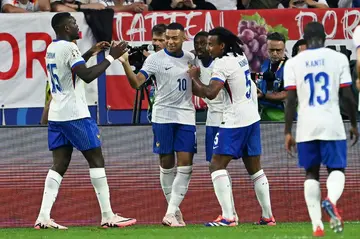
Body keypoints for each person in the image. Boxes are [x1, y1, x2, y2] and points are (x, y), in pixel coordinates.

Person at [34, 12, 135, 229]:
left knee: (59, 164)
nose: (76, 25)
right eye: (72, 23)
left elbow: (72, 72)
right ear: (65, 28)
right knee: (96, 159)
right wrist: (111, 57)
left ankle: (43, 216)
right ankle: (108, 216)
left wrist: (91, 51)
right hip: (75, 114)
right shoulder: (69, 48)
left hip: (57, 115)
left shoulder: (52, 48)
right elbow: (87, 75)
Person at [189, 27, 275, 227]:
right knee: (255, 169)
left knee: (216, 165)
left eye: (212, 44)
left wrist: (193, 77)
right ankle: (268, 216)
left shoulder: (222, 63)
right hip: (251, 116)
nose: (209, 48)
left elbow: (210, 93)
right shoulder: (239, 56)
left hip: (235, 120)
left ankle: (228, 217)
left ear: (222, 45)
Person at [284, 22, 359, 237]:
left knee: (311, 173)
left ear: (304, 39)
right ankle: (331, 200)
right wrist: (353, 123)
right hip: (332, 122)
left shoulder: (294, 63)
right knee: (337, 169)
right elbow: (347, 97)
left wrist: (288, 131)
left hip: (306, 125)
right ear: (325, 38)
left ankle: (317, 225)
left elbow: (290, 101)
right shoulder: (338, 59)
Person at [119, 22, 196, 227]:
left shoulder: (191, 58)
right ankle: (175, 212)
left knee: (186, 164)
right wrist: (125, 63)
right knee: (166, 164)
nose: (170, 42)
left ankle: (170, 212)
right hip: (162, 116)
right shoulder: (155, 59)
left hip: (186, 116)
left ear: (183, 39)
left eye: (174, 38)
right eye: (167, 38)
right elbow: (137, 83)